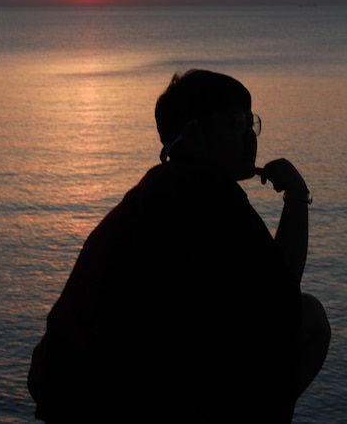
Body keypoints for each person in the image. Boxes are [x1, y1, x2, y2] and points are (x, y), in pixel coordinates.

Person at [28, 69, 331, 423]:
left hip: (69, 388)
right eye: (234, 124)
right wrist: (295, 196)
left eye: (252, 124)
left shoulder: (155, 192)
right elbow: (279, 296)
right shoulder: (207, 196)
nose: (250, 138)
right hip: (112, 397)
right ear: (193, 135)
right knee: (309, 320)